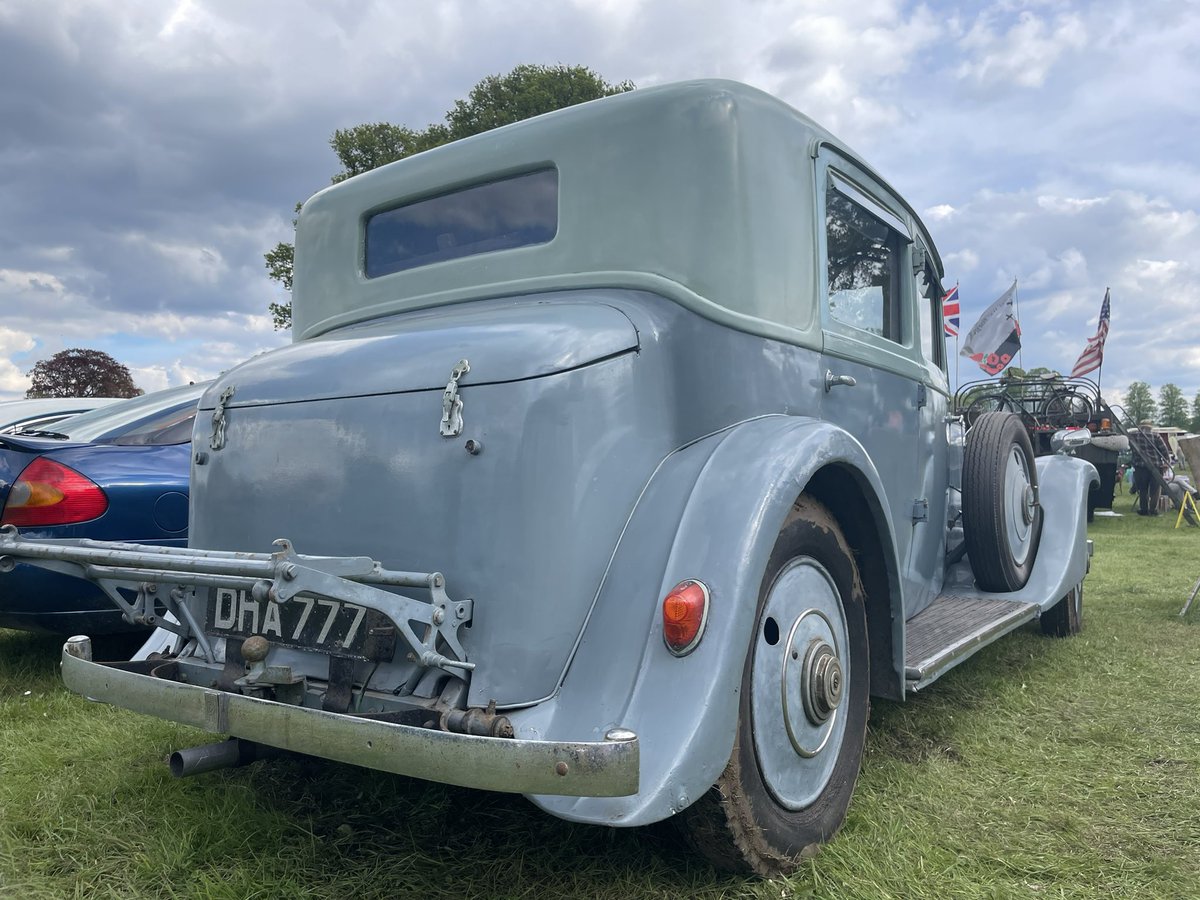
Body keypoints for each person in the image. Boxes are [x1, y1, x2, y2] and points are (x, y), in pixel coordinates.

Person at [1129, 420, 1171, 516]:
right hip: (1155, 466)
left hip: (1140, 466)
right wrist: (1166, 462)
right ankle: (1153, 510)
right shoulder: (1155, 435)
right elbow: (1164, 451)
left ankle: (1143, 509)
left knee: (1142, 489)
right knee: (1155, 490)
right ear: (1150, 427)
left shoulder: (1133, 435)